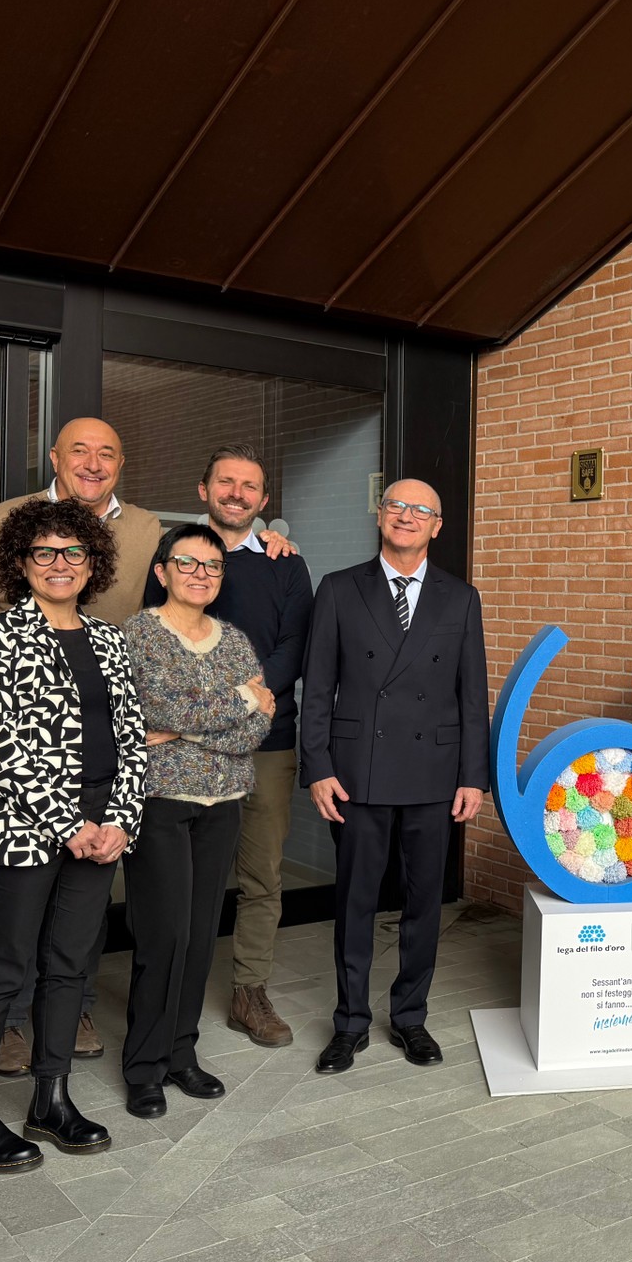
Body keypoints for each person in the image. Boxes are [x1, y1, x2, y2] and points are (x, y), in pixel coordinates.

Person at [0, 418, 290, 1074]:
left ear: (122, 464)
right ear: (54, 458)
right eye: (79, 450)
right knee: (20, 891)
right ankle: (12, 1020)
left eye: (107, 453)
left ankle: (65, 1009)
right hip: (30, 741)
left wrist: (258, 542)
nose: (93, 463)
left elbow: (192, 577)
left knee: (85, 888)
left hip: (108, 742)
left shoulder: (146, 530)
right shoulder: (5, 521)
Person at [0, 498, 145, 1171]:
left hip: (100, 826)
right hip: (21, 827)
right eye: (44, 553)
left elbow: (131, 742)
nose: (60, 565)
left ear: (93, 563)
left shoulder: (110, 639)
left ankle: (50, 1099)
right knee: (4, 970)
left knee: (69, 966)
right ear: (21, 563)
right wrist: (71, 824)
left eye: (73, 552)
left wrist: (119, 822)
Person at [300, 479, 489, 1075]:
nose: (406, 516)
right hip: (359, 773)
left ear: (438, 526)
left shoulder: (461, 598)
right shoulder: (338, 589)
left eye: (421, 511)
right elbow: (317, 687)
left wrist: (473, 777)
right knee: (355, 902)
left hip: (434, 774)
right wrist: (319, 767)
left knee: (423, 905)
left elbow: (471, 694)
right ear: (380, 517)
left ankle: (411, 1017)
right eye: (396, 506)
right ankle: (350, 1022)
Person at [143, 445, 312, 1049]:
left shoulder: (285, 564)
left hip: (267, 739)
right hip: (183, 748)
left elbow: (295, 644)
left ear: (263, 503)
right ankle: (167, 995)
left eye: (250, 487)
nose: (237, 494)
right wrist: (218, 712)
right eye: (226, 483)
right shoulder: (176, 556)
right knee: (185, 880)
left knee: (262, 873)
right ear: (203, 489)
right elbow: (159, 637)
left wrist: (249, 697)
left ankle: (249, 991)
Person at [121, 526, 276, 1119]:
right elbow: (156, 705)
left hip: (224, 804)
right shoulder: (137, 636)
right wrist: (233, 704)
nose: (201, 573)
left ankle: (181, 1053)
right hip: (161, 801)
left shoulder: (234, 639)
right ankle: (144, 1066)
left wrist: (185, 729)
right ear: (162, 571)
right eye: (187, 563)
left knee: (201, 932)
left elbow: (259, 724)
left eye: (213, 566)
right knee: (164, 937)